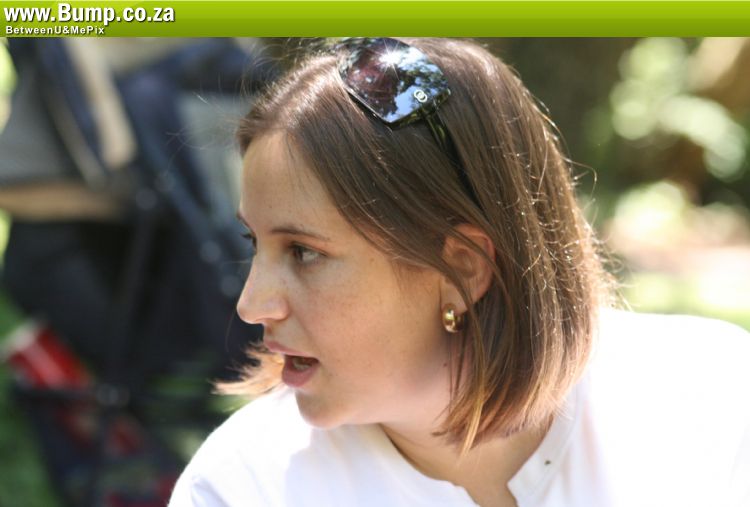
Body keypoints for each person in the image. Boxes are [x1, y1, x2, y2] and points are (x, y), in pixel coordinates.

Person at [168, 38, 750, 507]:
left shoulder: (714, 401)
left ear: (462, 269)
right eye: (254, 243)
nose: (252, 304)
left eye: (303, 251)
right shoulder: (241, 487)